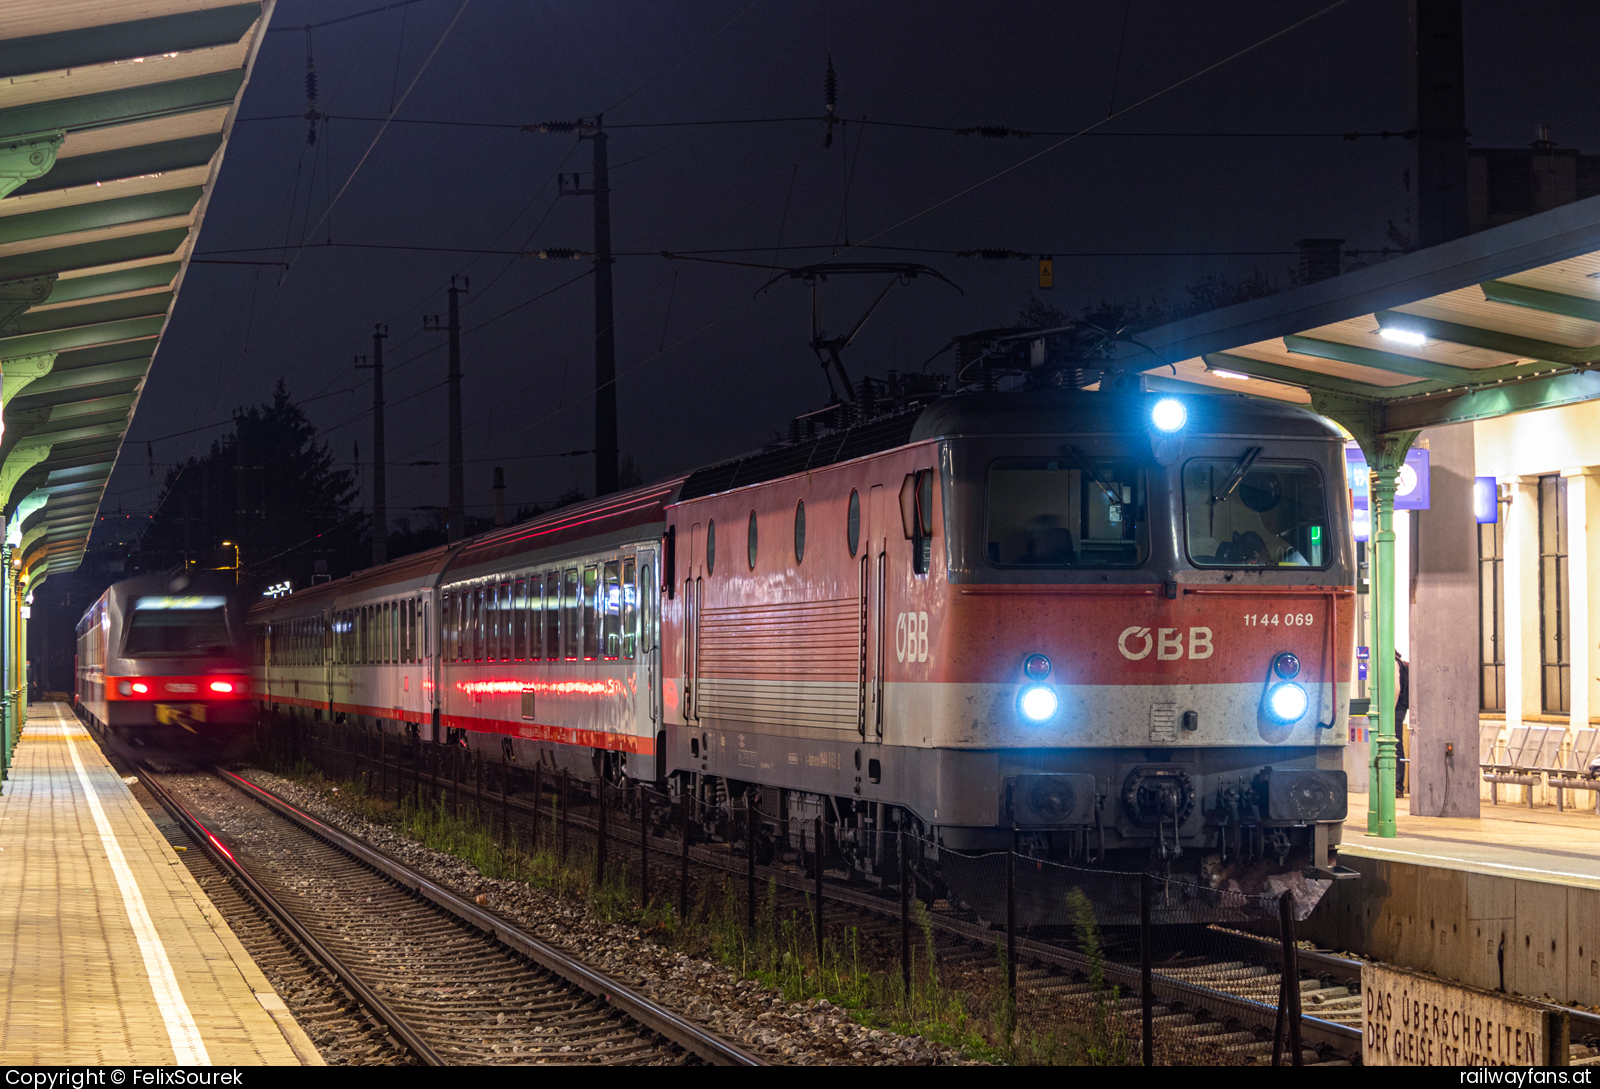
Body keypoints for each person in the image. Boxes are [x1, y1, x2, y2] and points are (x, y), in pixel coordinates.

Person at [1394, 651, 1410, 796]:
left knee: (1396, 746)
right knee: (1397, 745)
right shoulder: (1401, 662)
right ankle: (1397, 784)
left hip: (1395, 709)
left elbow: (1395, 689)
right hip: (1401, 708)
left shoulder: (1392, 663)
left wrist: (1388, 710)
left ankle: (1398, 785)